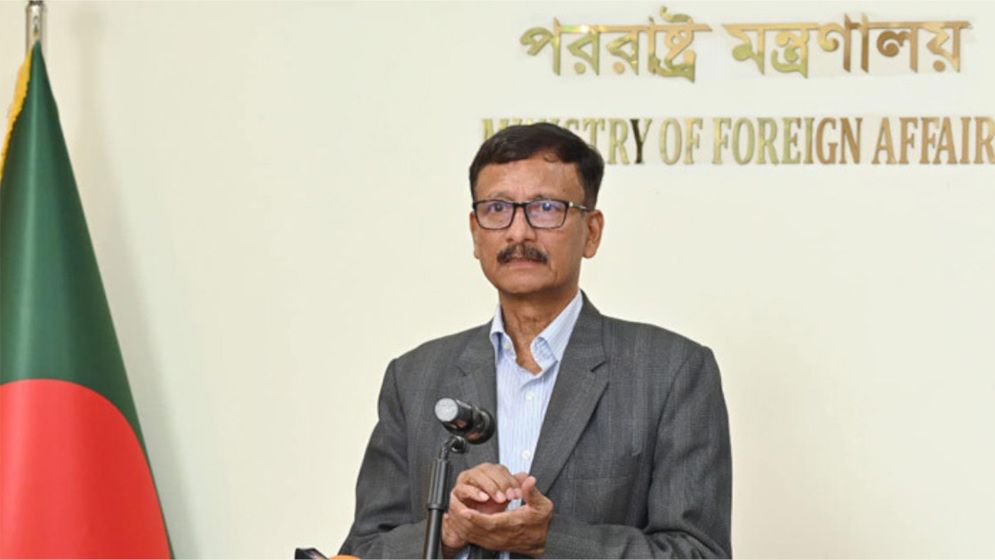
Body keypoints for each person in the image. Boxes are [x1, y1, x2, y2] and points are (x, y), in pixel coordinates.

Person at [339, 123, 732, 558]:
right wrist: (448, 531)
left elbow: (699, 553)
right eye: (497, 209)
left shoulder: (671, 372)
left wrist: (550, 539)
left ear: (592, 231)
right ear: (475, 233)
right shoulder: (415, 377)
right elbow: (362, 550)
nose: (519, 233)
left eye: (546, 208)